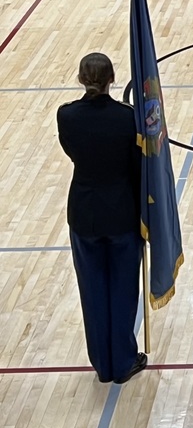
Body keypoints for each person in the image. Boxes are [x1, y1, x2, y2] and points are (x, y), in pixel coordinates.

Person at [57, 52, 146, 385]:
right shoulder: (128, 118)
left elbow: (72, 152)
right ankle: (123, 361)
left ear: (81, 79)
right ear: (112, 79)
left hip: (84, 211)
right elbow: (137, 165)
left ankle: (102, 363)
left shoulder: (66, 116)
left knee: (92, 290)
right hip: (122, 211)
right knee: (123, 289)